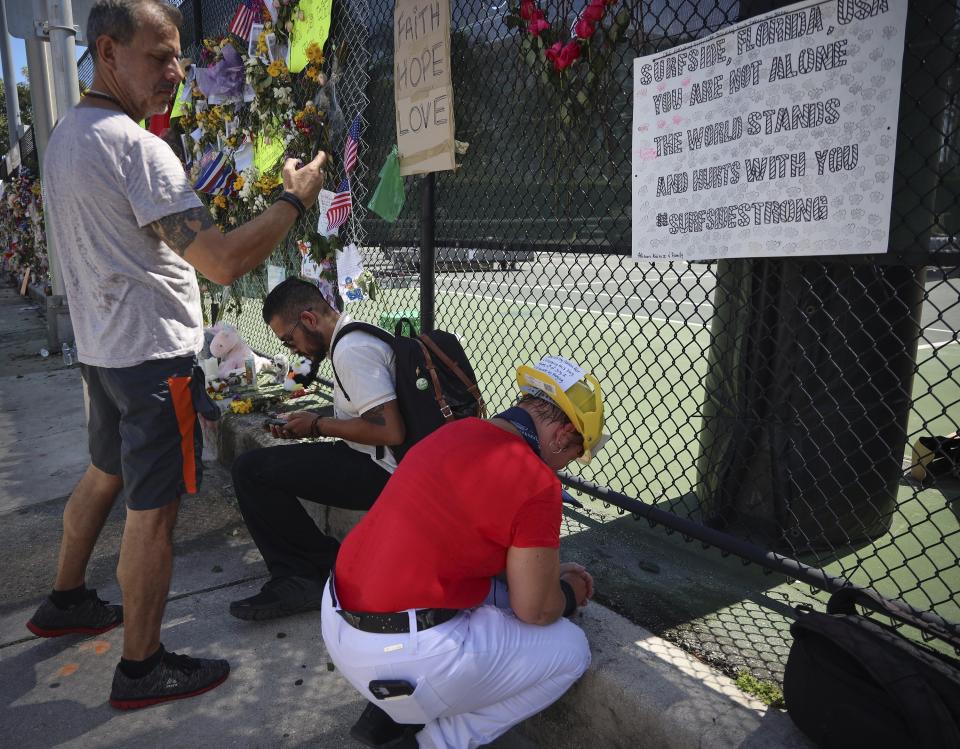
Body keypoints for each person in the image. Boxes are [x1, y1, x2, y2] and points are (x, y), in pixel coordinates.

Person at [25, 0, 327, 710]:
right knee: (152, 511)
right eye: (158, 57)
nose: (176, 71)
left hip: (103, 353)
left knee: (104, 474)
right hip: (152, 359)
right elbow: (220, 261)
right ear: (107, 53)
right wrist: (292, 201)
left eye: (177, 56)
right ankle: (141, 667)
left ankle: (66, 597)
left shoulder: (69, 136)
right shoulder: (137, 147)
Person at [322, 357, 607, 749]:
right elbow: (535, 609)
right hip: (401, 654)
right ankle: (436, 742)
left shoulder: (457, 430)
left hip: (339, 618)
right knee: (571, 651)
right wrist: (569, 593)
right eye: (573, 454)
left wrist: (544, 579)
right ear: (561, 436)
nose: (564, 466)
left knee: (487, 593)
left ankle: (389, 715)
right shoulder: (537, 481)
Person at [229, 277, 404, 620]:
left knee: (251, 471)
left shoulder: (351, 351)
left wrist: (317, 425)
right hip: (371, 459)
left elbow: (390, 430)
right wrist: (310, 422)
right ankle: (316, 567)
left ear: (308, 320)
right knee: (258, 467)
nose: (292, 349)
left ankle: (304, 576)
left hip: (386, 473)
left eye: (288, 339)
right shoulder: (350, 335)